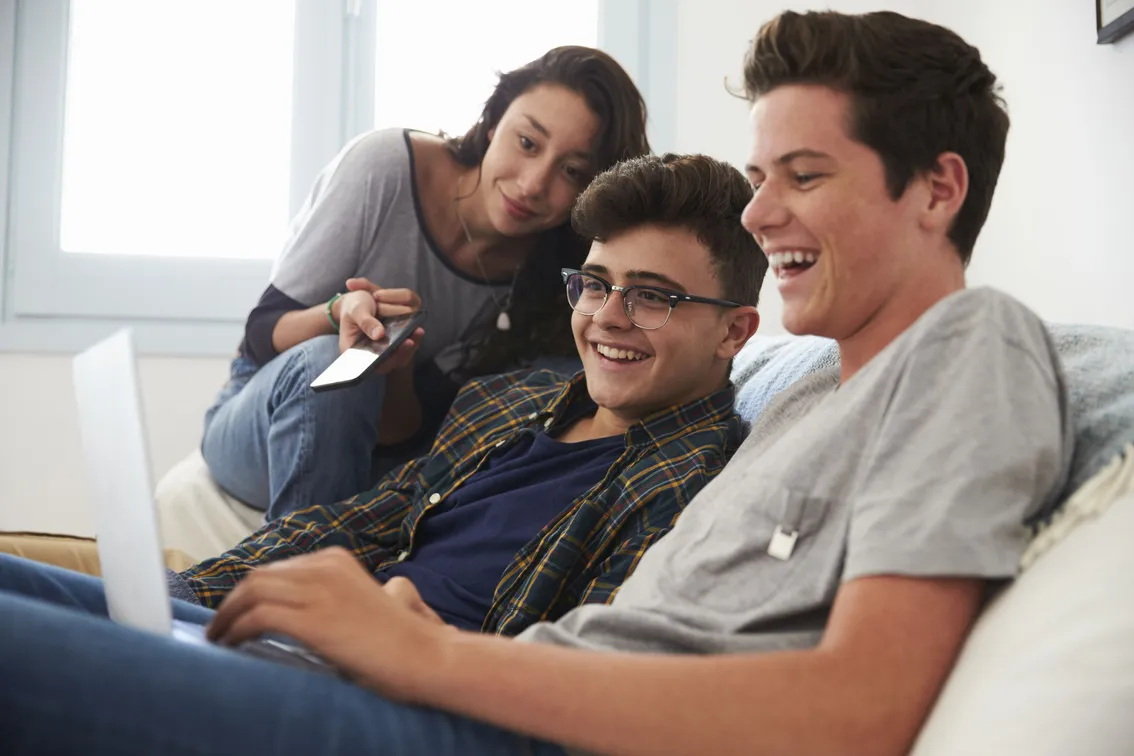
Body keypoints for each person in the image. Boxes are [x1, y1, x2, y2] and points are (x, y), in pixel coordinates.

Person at [0, 11, 1075, 756]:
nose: (757, 216)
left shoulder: (972, 346)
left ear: (938, 190)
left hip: (485, 725)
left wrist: (419, 653)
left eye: (803, 177)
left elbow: (861, 713)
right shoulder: (799, 394)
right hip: (455, 691)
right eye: (757, 181)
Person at [1, 150, 765, 638]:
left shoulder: (697, 489)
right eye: (594, 285)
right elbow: (360, 521)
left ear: (734, 333)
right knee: (24, 591)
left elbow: (586, 670)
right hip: (306, 645)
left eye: (653, 297)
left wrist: (411, 644)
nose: (606, 317)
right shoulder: (515, 401)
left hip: (401, 702)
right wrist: (189, 595)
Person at [203, 45, 651, 522]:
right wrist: (338, 314)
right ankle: (294, 577)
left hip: (386, 450)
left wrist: (395, 365)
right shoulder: (386, 167)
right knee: (331, 362)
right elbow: (260, 334)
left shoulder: (555, 279)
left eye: (572, 171)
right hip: (263, 416)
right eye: (527, 143)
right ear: (495, 121)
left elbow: (406, 435)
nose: (532, 184)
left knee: (556, 383)